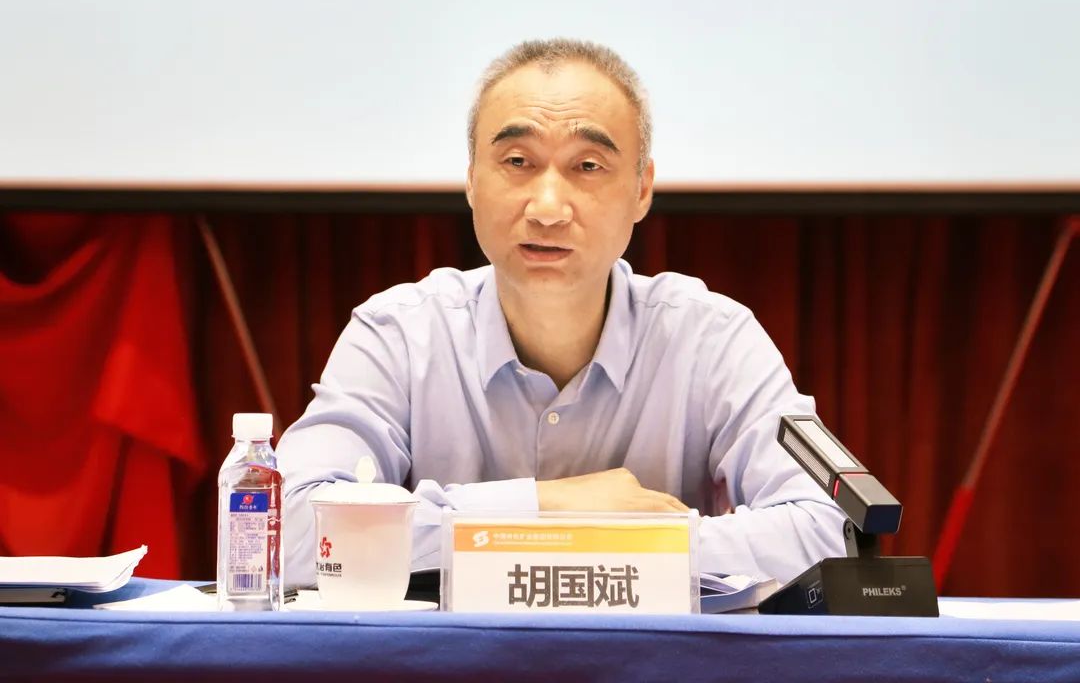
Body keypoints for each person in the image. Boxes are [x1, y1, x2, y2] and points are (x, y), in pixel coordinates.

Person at [277, 38, 846, 588]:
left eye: (588, 166)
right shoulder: (399, 333)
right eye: (517, 161)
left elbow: (827, 531)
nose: (547, 208)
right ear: (472, 180)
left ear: (642, 190)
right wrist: (547, 505)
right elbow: (289, 529)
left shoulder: (713, 339)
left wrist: (618, 537)